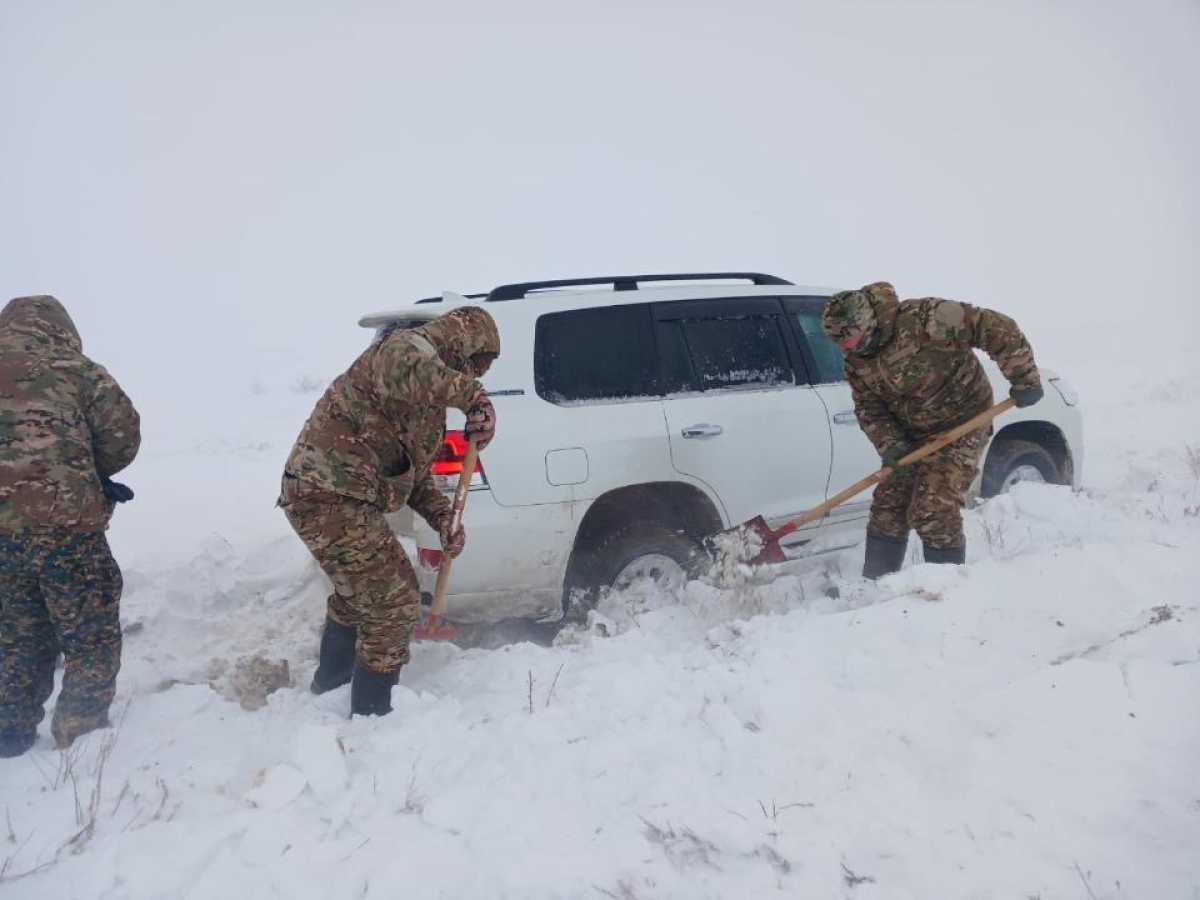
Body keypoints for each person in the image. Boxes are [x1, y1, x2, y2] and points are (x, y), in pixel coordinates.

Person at [279, 306, 500, 717]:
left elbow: (413, 480)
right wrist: (473, 397)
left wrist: (443, 519)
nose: (474, 377)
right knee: (394, 600)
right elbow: (408, 366)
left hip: (342, 497)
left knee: (358, 596)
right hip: (325, 490)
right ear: (460, 345)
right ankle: (372, 719)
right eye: (474, 366)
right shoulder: (403, 350)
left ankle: (328, 692)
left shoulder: (427, 412)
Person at [820, 282, 1042, 577]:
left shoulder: (925, 319)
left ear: (867, 323)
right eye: (839, 343)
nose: (845, 349)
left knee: (933, 508)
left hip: (964, 422)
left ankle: (946, 590)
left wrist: (1023, 375)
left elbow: (993, 326)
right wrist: (891, 446)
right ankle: (876, 587)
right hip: (912, 434)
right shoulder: (857, 359)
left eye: (848, 339)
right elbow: (869, 408)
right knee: (888, 506)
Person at [0, 295, 140, 757]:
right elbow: (123, 436)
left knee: (15, 633)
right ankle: (78, 737)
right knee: (90, 635)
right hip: (67, 530)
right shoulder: (73, 368)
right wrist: (82, 466)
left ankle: (9, 731)